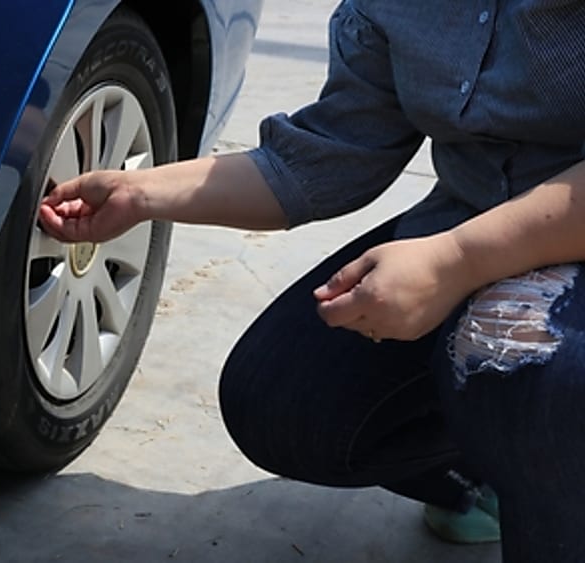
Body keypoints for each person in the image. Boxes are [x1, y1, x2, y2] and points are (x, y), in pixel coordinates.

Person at [38, 1, 585, 561]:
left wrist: (458, 260)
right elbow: (324, 159)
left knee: (533, 369)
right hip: (463, 220)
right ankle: (491, 475)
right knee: (282, 407)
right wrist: (142, 193)